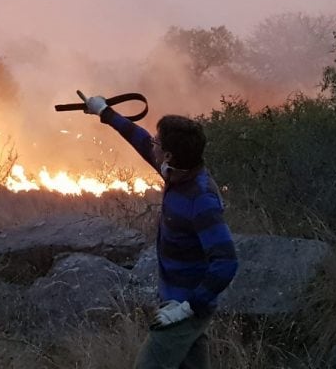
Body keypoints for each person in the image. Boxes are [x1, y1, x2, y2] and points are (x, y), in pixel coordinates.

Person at [82, 94, 239, 369]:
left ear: (167, 154)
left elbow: (226, 262)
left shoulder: (200, 199)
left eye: (158, 142)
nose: (151, 144)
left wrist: (186, 308)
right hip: (179, 302)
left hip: (183, 309)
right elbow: (140, 139)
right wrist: (104, 112)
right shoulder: (176, 170)